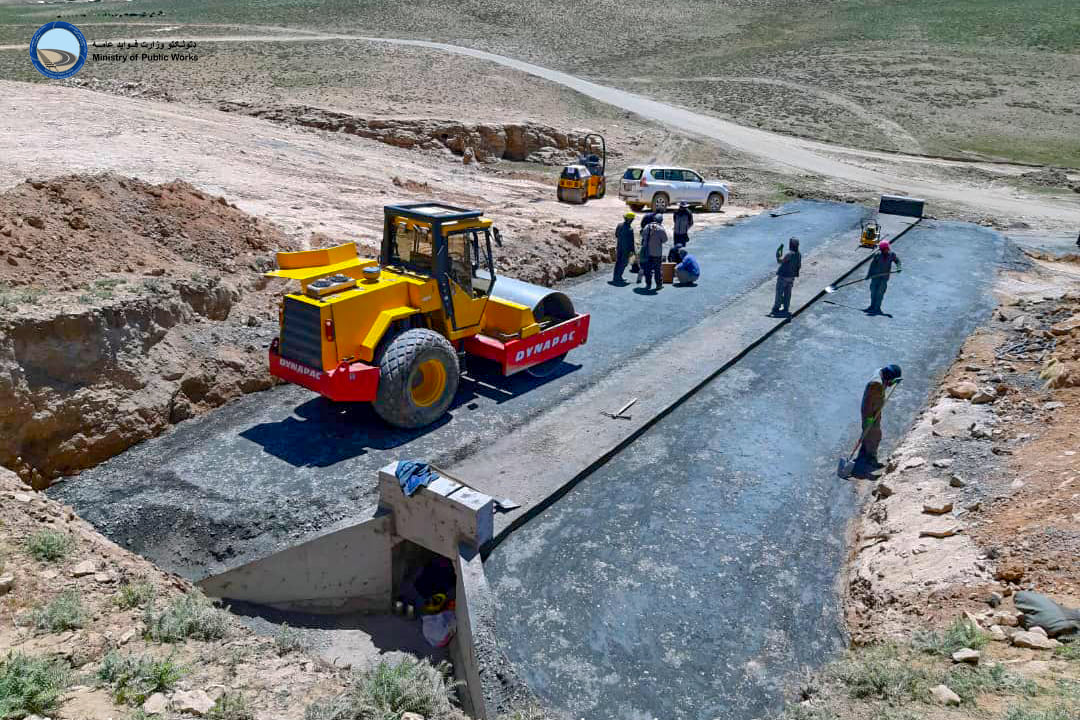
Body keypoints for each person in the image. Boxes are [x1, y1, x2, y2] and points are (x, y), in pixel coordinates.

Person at [856, 364, 902, 471]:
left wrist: (894, 381)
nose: (891, 383)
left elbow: (887, 383)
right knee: (874, 434)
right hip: (870, 412)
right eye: (892, 380)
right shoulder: (875, 384)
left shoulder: (881, 372)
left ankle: (864, 451)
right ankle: (870, 458)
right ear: (888, 376)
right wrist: (869, 419)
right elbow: (868, 403)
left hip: (875, 408)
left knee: (868, 432)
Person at [865, 240, 901, 315]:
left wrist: (898, 267)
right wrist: (868, 275)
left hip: (884, 278)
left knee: (880, 293)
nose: (887, 250)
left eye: (887, 248)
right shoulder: (877, 255)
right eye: (885, 249)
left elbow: (897, 261)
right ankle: (872, 306)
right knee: (873, 292)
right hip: (875, 277)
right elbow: (872, 266)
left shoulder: (892, 255)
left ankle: (877, 308)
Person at [770, 237, 801, 317]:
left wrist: (778, 254)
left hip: (783, 277)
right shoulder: (798, 255)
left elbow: (780, 261)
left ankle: (776, 309)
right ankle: (786, 308)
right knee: (788, 294)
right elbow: (799, 266)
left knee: (779, 293)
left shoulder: (789, 254)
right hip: (791, 278)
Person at [641, 214, 668, 290]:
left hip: (647, 252)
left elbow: (643, 236)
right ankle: (658, 285)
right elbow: (665, 240)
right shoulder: (661, 229)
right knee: (657, 270)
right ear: (661, 221)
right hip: (657, 253)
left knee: (648, 269)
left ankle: (648, 284)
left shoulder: (647, 227)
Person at [613, 212, 636, 284]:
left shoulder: (619, 225)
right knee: (623, 263)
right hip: (626, 249)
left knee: (618, 262)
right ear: (630, 220)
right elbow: (631, 242)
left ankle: (615, 276)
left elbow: (616, 235)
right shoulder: (630, 229)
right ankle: (619, 277)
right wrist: (633, 251)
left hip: (619, 247)